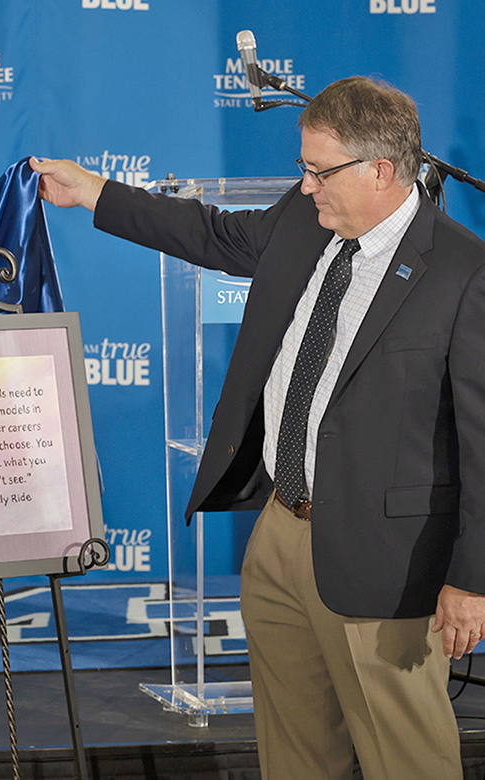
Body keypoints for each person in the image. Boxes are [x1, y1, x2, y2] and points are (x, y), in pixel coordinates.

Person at [32, 76, 485, 780]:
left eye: (317, 171)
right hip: (280, 536)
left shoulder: (463, 271)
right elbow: (209, 233)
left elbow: (483, 442)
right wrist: (93, 190)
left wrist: (471, 580)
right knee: (294, 754)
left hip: (385, 558)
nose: (305, 187)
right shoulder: (306, 223)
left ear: (382, 171)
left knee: (408, 760)